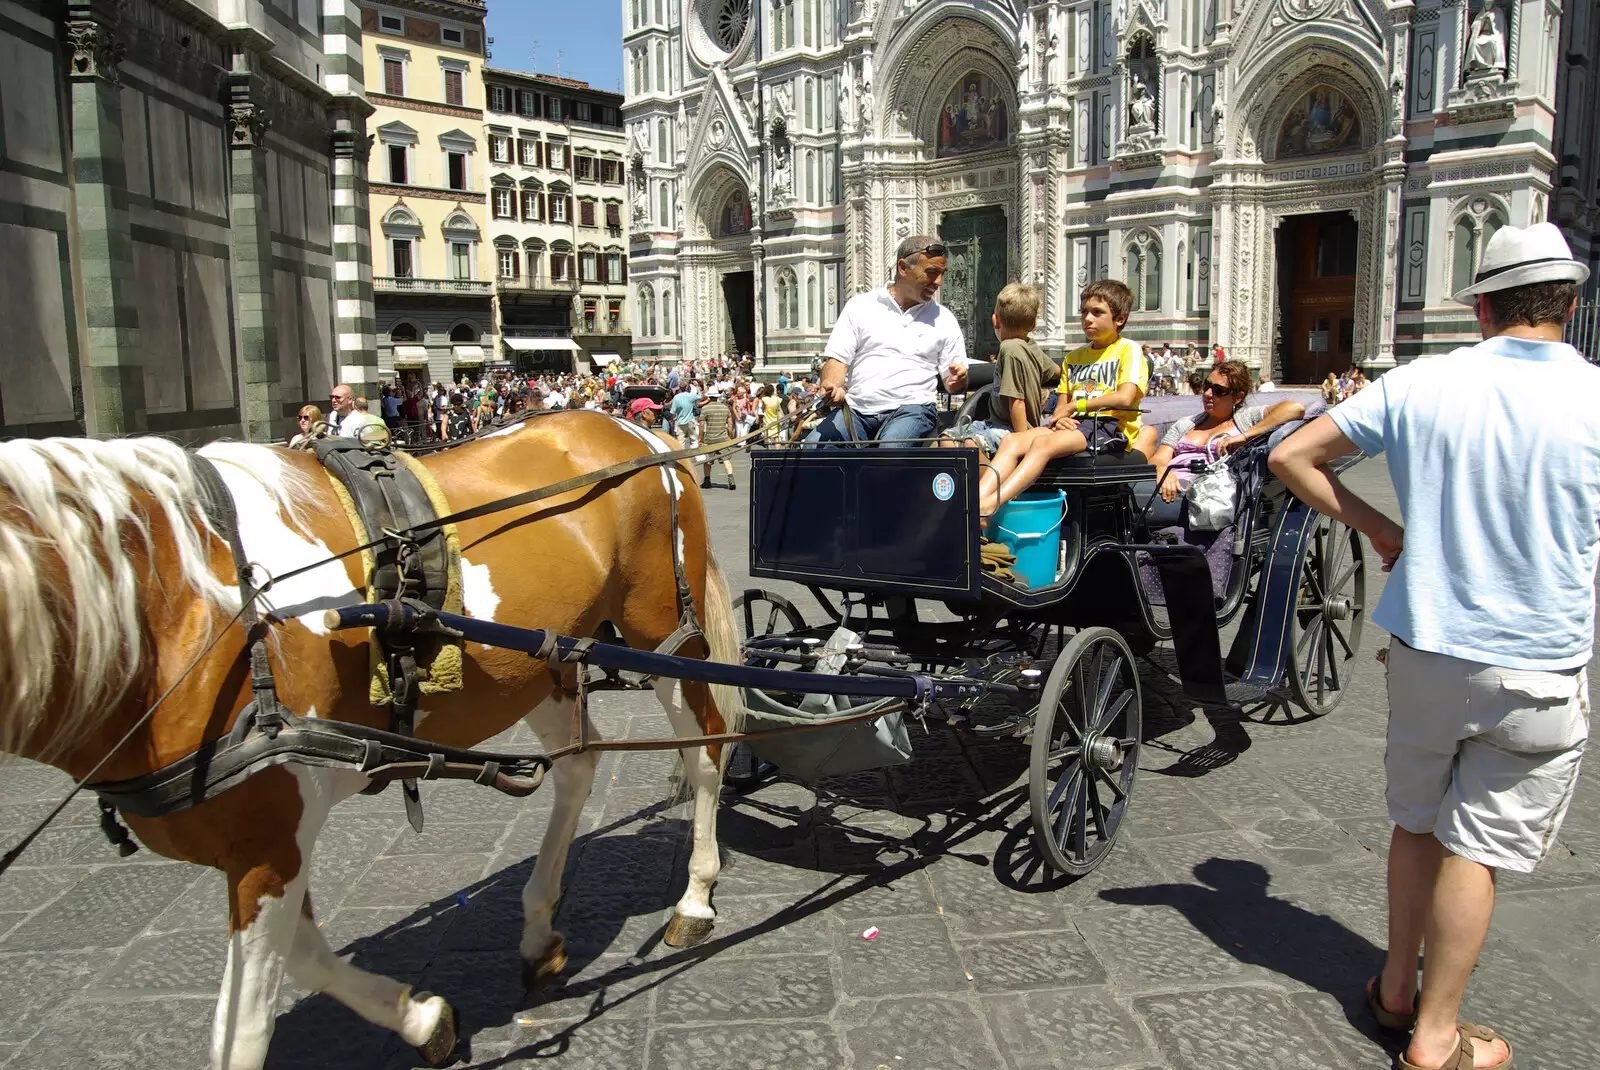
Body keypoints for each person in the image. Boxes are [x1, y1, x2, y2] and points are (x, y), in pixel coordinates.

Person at [1269, 222, 1597, 1070]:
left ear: (1481, 305)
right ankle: (1438, 1039)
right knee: (1477, 847)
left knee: (1418, 826)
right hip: (1537, 663)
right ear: (1570, 300)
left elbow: (1293, 453)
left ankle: (1396, 991)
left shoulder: (1424, 381)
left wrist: (1379, 527)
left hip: (1427, 649)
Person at [978, 279, 1146, 517]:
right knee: (1012, 441)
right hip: (1074, 426)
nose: (1088, 319)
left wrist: (1075, 407)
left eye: (1097, 313)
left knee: (1041, 444)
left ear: (1119, 319)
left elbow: (1124, 398)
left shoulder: (1128, 349)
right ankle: (975, 502)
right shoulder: (1074, 357)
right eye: (1084, 312)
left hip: (1109, 426)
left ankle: (992, 505)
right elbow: (1062, 403)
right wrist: (1060, 417)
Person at [810, 234, 969, 446]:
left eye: (942, 274)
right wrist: (831, 385)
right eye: (931, 273)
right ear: (903, 267)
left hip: (913, 409)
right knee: (812, 446)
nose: (938, 282)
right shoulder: (860, 305)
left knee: (888, 451)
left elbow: (953, 384)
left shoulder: (944, 319)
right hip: (858, 411)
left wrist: (958, 381)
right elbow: (837, 361)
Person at [1149, 360, 1306, 504]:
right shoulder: (1185, 423)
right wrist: (1164, 472)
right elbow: (1158, 459)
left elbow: (1294, 409)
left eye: (1218, 390)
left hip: (1209, 492)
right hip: (1169, 484)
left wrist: (1244, 436)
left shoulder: (1246, 419)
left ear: (1237, 397)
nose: (1208, 394)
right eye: (1207, 385)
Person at [944, 282, 1057, 457]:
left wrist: (1021, 442)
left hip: (1010, 428)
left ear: (995, 320)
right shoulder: (1032, 346)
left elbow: (1016, 401)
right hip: (993, 424)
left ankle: (991, 483)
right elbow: (1058, 372)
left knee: (971, 445)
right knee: (947, 439)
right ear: (1034, 325)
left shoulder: (1009, 349)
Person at [698, 386, 737, 490]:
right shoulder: (725, 408)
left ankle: (707, 480)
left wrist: (700, 439)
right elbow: (730, 424)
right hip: (723, 438)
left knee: (708, 461)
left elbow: (701, 425)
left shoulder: (705, 408)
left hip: (710, 438)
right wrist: (730, 437)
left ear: (709, 397)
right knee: (726, 460)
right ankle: (731, 478)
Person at [669, 382, 702, 449]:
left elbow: (673, 411)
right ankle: (696, 455)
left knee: (680, 441)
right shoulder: (690, 395)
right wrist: (697, 388)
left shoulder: (676, 397)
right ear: (687, 387)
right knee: (694, 440)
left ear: (679, 388)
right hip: (690, 420)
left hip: (680, 421)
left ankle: (682, 458)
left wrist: (672, 420)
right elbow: (700, 396)